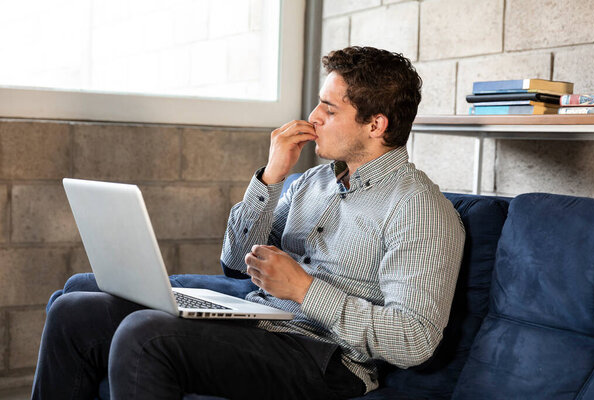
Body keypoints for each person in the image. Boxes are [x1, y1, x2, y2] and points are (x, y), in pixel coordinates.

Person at [32, 46, 465, 400]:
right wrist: (271, 177)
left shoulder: (419, 210)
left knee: (148, 336)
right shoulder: (310, 182)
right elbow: (236, 267)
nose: (313, 116)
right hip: (258, 323)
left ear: (376, 124)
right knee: (74, 311)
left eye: (329, 110)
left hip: (327, 358)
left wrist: (304, 290)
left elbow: (414, 340)